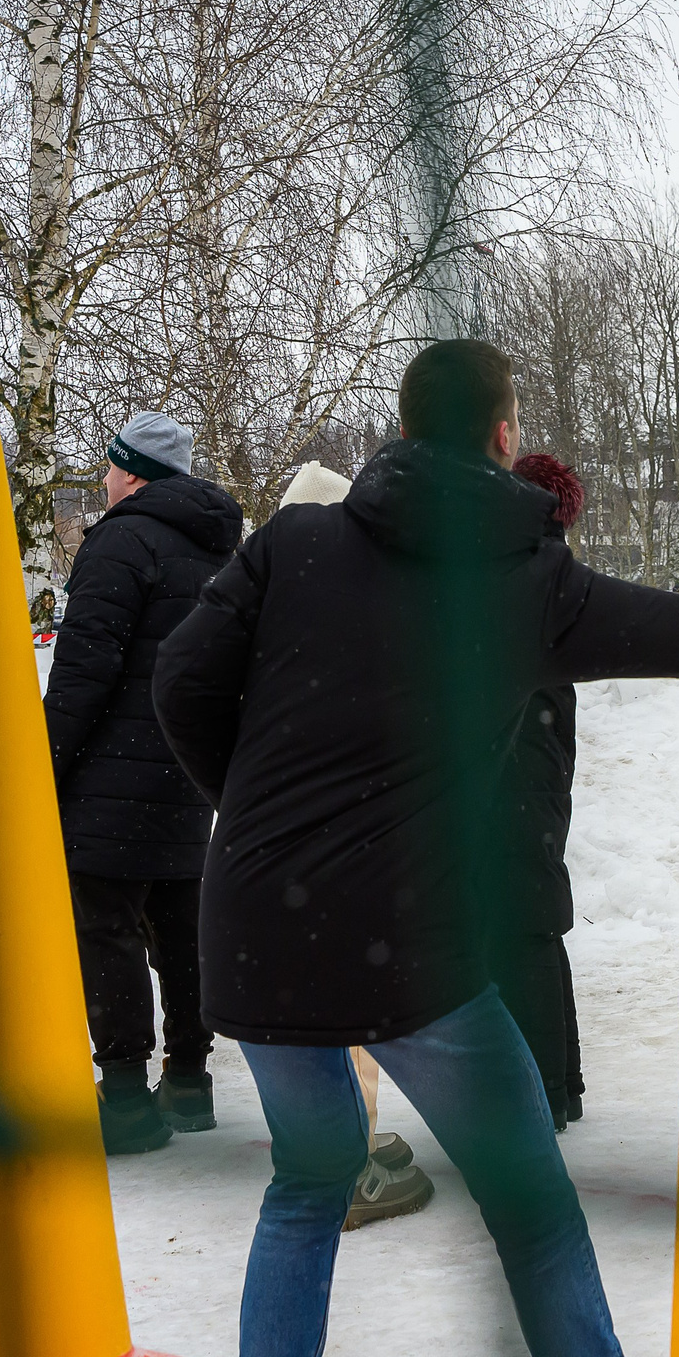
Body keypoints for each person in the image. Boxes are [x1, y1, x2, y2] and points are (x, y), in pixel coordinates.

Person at [152, 341, 679, 1357]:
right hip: (408, 950)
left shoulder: (294, 542)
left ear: (400, 431)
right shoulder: (528, 577)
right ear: (504, 435)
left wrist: (257, 820)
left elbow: (179, 683)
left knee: (306, 1190)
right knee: (535, 1216)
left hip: (258, 931)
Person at [44, 408, 243, 1154]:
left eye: (108, 466)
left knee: (108, 929)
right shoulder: (222, 550)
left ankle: (125, 1098)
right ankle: (189, 1080)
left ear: (131, 471)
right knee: (180, 930)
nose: (102, 478)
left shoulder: (119, 542)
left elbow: (84, 671)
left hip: (109, 778)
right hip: (188, 772)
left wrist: (42, 761)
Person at [264, 457, 437, 1231]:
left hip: (267, 864)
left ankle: (332, 1150)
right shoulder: (356, 615)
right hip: (339, 862)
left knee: (308, 1022)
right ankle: (351, 1165)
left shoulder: (260, 607)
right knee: (350, 1019)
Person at [505, 450, 590, 1134]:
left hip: (522, 755)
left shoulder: (530, 567)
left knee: (521, 925)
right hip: (533, 751)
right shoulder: (542, 560)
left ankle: (544, 1091)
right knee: (531, 918)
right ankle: (560, 1083)